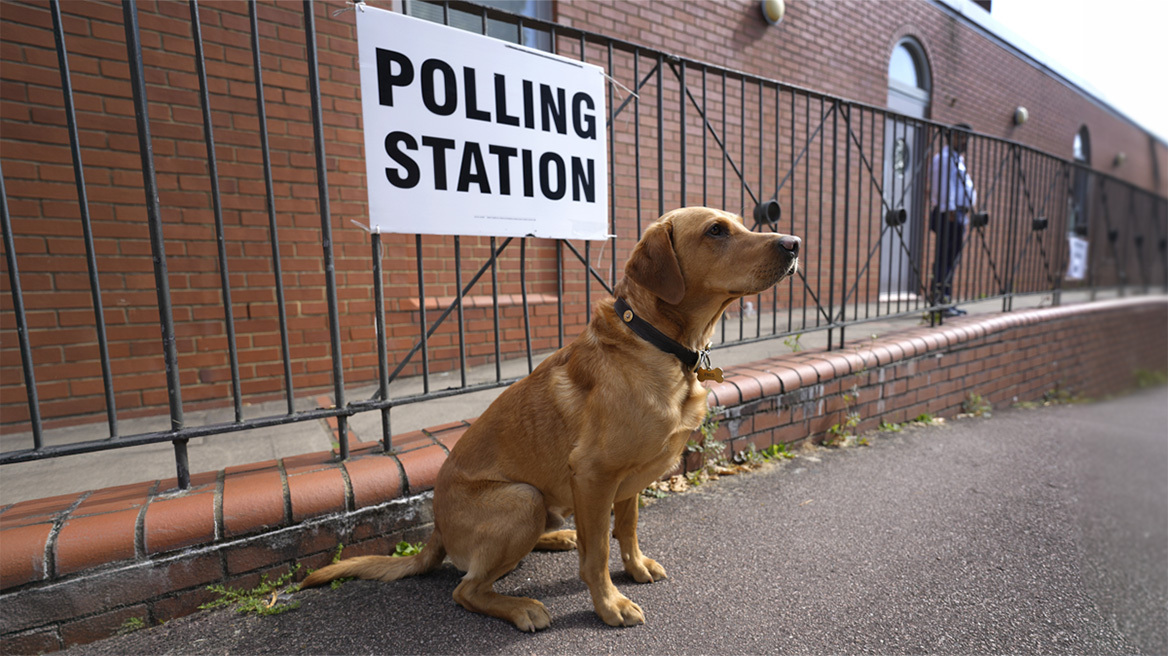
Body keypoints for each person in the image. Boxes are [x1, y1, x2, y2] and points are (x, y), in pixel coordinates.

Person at [928, 122, 978, 317]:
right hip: (948, 214)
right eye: (962, 137)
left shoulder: (957, 159)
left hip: (957, 214)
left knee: (951, 260)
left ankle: (944, 299)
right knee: (944, 259)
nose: (966, 142)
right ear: (953, 137)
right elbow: (942, 187)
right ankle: (940, 300)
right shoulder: (945, 159)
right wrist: (950, 211)